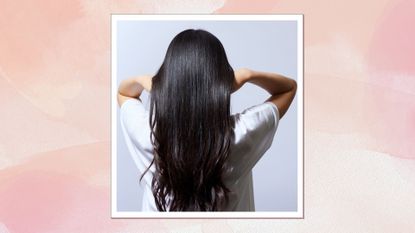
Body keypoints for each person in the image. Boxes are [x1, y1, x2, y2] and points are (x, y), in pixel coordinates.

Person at [117, 29, 297, 211]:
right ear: (221, 80)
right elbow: (288, 88)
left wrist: (149, 82)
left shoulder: (148, 133)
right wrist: (246, 75)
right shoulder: (241, 134)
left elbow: (124, 92)